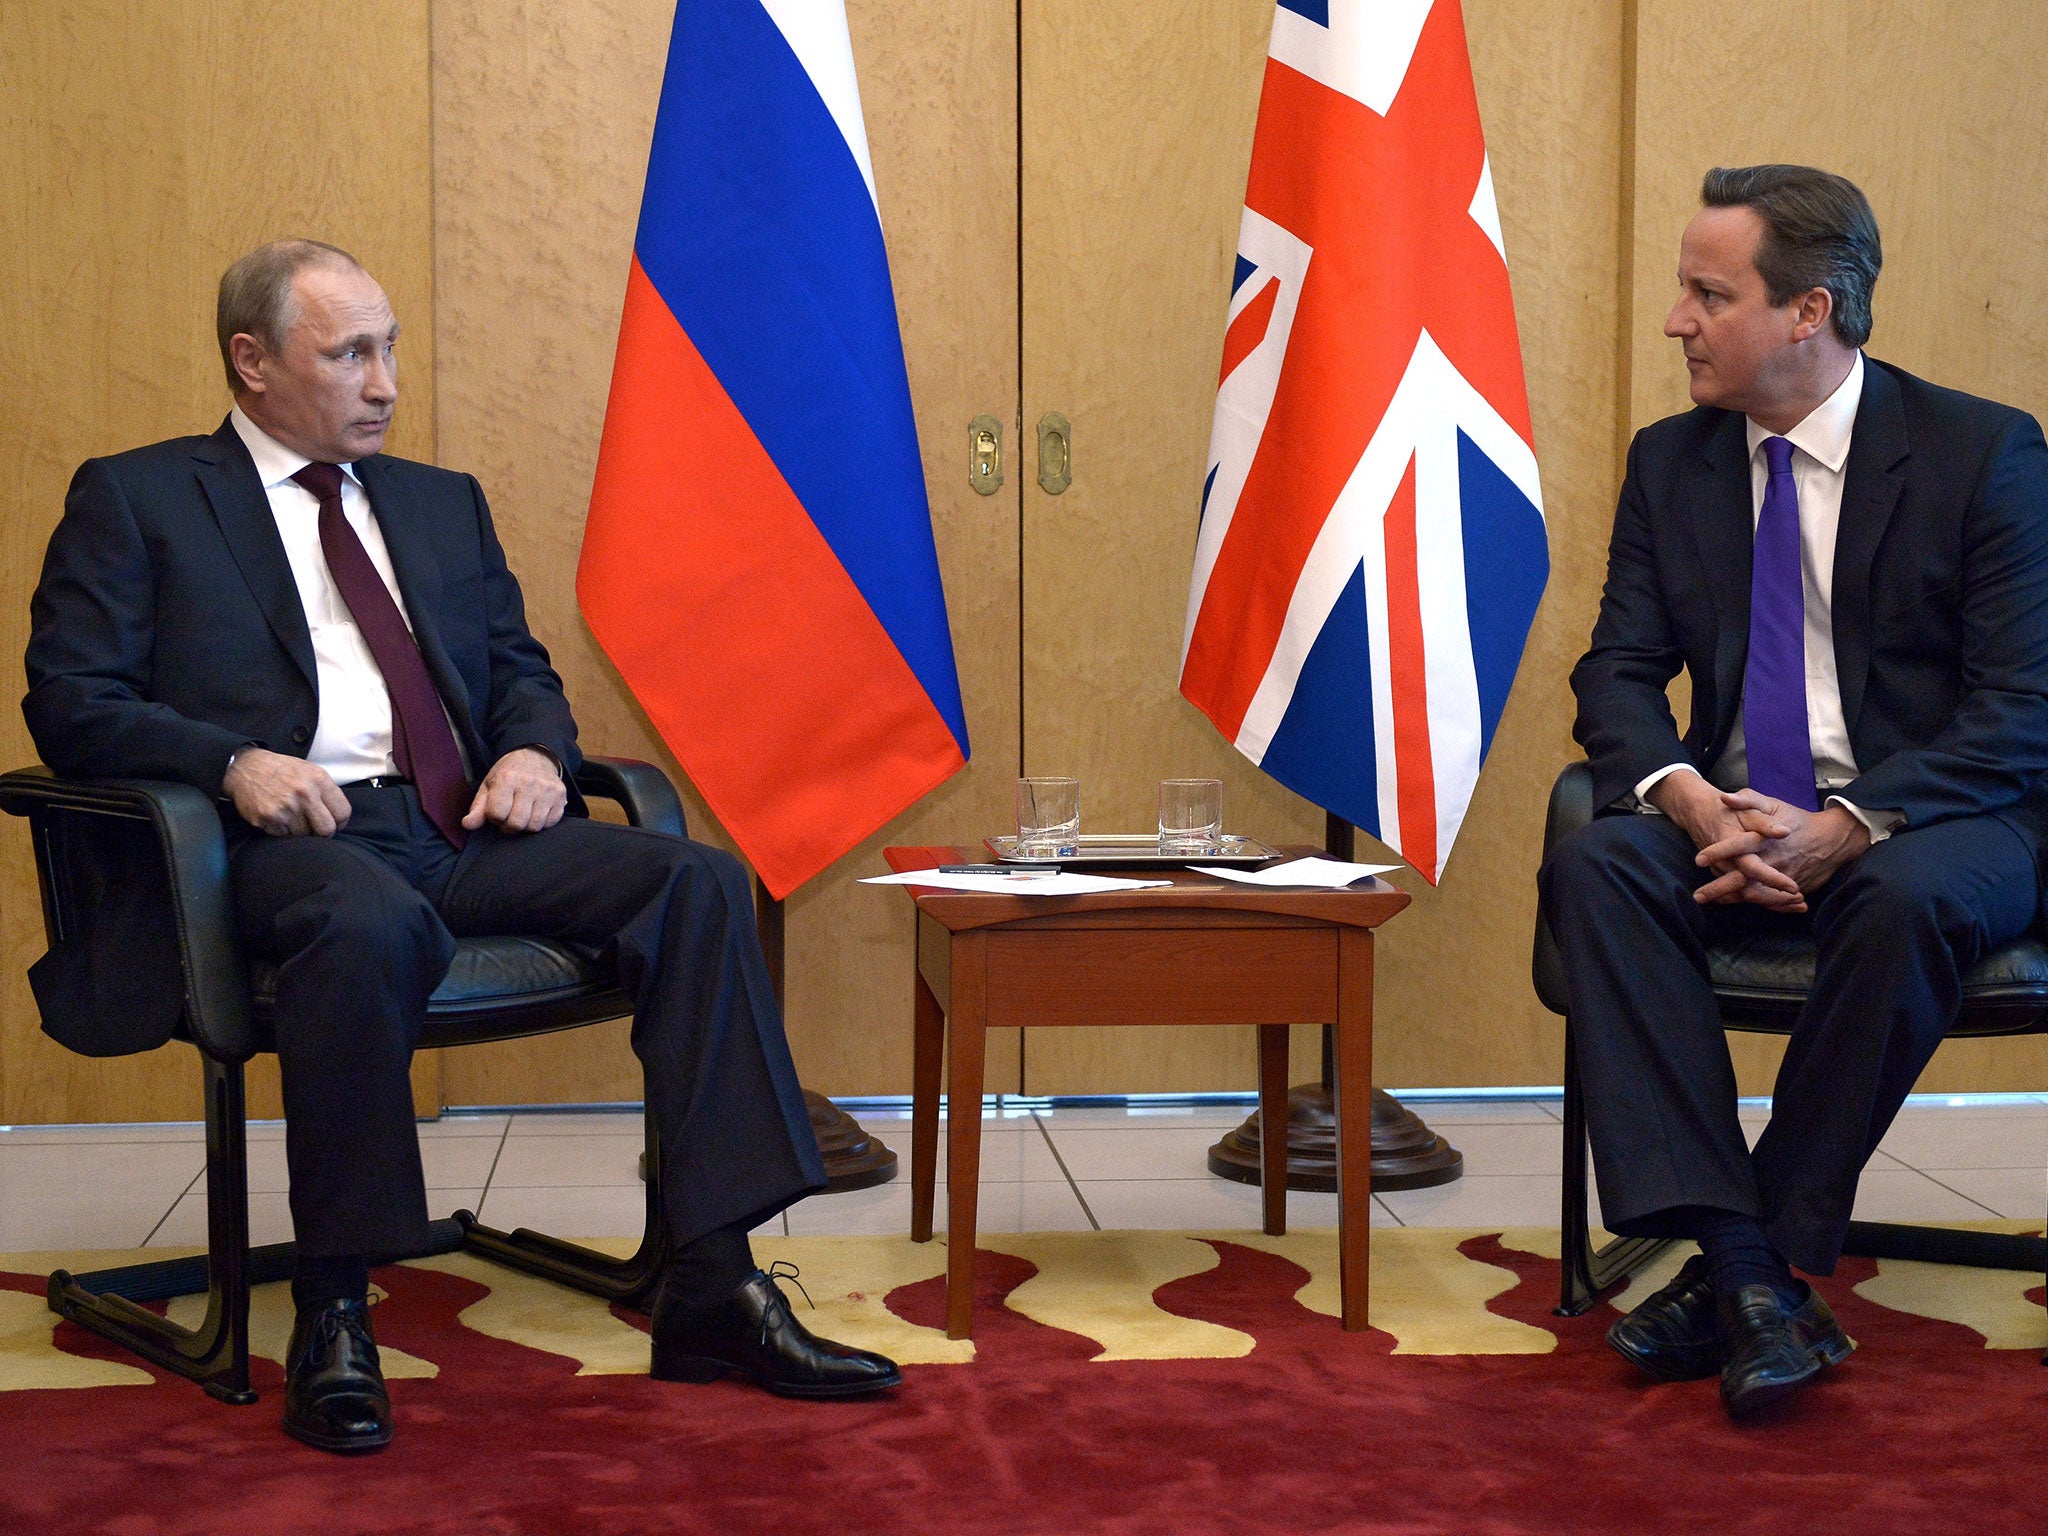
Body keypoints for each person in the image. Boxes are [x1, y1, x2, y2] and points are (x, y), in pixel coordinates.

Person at [22, 239, 902, 1454]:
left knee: (696, 883)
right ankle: (336, 1305)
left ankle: (713, 1279)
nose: (385, 382)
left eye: (390, 349)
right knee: (365, 919)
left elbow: (520, 674)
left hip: (450, 826)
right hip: (268, 848)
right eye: (349, 354)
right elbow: (70, 700)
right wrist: (230, 764)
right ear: (252, 362)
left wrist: (534, 754)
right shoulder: (141, 498)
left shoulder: (440, 502)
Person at [1539, 166, 2048, 1418]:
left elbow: (2021, 710)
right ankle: (1753, 1273)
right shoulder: (1673, 462)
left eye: (1706, 294)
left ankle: (1734, 1268)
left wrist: (1845, 824)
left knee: (1898, 897)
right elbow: (1614, 668)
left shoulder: (1981, 452)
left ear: (1807, 312)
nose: (1675, 320)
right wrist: (1682, 796)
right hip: (1736, 815)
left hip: (1940, 818)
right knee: (1599, 860)